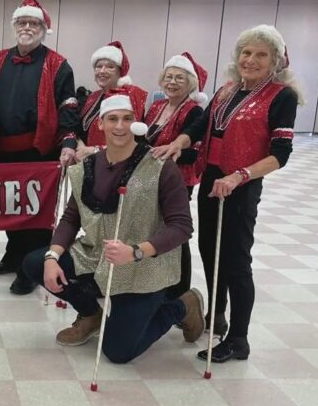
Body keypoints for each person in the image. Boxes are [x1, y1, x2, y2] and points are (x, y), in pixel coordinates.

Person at [21, 88, 203, 364]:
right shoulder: (86, 167)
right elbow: (71, 218)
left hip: (144, 265)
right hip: (97, 255)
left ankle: (182, 306)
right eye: (113, 119)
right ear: (101, 123)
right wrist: (52, 256)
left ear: (136, 123)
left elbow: (182, 226)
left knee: (118, 352)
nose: (120, 126)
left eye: (127, 118)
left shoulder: (159, 166)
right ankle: (91, 314)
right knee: (34, 263)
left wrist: (136, 251)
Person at [153, 25, 301, 362]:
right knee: (209, 249)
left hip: (241, 185)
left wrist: (240, 176)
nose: (250, 60)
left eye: (260, 55)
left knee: (236, 261)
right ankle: (216, 316)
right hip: (212, 180)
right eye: (246, 52)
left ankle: (238, 339)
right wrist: (179, 142)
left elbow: (281, 153)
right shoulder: (226, 90)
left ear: (275, 60)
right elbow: (199, 126)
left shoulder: (281, 95)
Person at [0, 0, 80, 295]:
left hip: (40, 152)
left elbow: (69, 107)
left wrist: (68, 142)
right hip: (5, 151)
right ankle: (14, 256)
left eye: (33, 23)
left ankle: (31, 269)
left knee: (36, 213)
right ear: (15, 25)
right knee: (11, 206)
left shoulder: (59, 64)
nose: (27, 27)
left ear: (43, 28)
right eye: (22, 22)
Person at [143, 52, 207, 300]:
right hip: (151, 177)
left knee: (176, 232)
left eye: (179, 78)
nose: (172, 82)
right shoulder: (157, 106)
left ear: (190, 82)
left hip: (178, 180)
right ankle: (156, 284)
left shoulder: (194, 111)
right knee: (154, 230)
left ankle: (180, 292)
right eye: (168, 76)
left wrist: (168, 153)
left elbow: (195, 152)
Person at [75, 41, 148, 161]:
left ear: (120, 71)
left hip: (114, 163)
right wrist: (79, 146)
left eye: (110, 67)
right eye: (99, 66)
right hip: (85, 162)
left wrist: (94, 150)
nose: (102, 71)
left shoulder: (129, 98)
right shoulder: (92, 97)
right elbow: (78, 128)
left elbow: (135, 142)